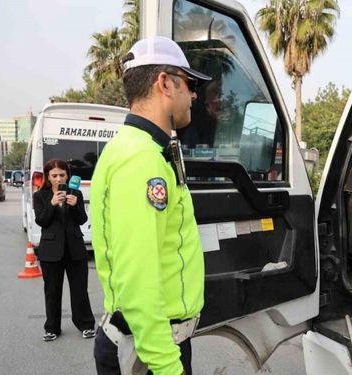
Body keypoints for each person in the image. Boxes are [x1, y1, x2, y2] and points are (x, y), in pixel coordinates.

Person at [90, 36, 211, 375]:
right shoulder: (141, 159)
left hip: (150, 347)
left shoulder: (140, 149)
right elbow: (138, 280)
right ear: (165, 83)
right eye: (189, 84)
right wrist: (168, 368)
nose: (194, 95)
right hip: (149, 354)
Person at [32, 158, 96, 341]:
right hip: (50, 252)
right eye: (54, 175)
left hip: (75, 249)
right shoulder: (40, 196)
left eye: (62, 175)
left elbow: (82, 220)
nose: (59, 179)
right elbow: (41, 221)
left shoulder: (76, 193)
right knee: (52, 291)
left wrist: (75, 205)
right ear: (48, 177)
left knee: (80, 290)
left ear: (68, 175)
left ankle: (86, 324)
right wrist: (52, 204)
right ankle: (52, 328)